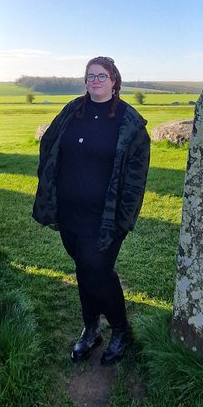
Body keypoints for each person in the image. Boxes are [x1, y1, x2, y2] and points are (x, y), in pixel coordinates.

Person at [32, 56, 150, 364]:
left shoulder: (130, 122)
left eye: (101, 75)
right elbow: (49, 145)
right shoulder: (73, 110)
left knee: (98, 272)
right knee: (85, 271)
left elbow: (136, 179)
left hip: (106, 218)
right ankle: (90, 329)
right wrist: (49, 182)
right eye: (90, 76)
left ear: (114, 81)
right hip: (70, 213)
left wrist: (124, 220)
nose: (94, 80)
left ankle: (121, 330)